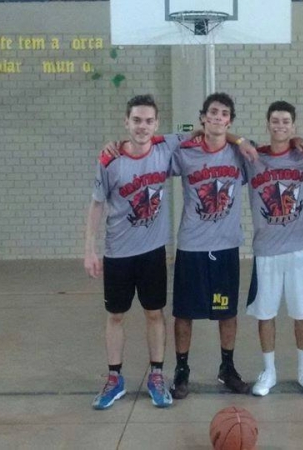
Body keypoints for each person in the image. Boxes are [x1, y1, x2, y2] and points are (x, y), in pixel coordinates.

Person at [84, 94, 177, 410]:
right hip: (118, 253)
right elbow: (97, 205)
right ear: (126, 122)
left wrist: (240, 140)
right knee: (115, 315)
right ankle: (114, 379)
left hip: (152, 252)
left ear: (157, 124)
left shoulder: (165, 149)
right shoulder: (109, 160)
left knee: (155, 313)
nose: (142, 126)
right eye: (136, 120)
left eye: (148, 121)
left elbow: (207, 133)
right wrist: (89, 249)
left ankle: (156, 375)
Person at [170, 92, 253, 399]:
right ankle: (182, 369)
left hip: (226, 245)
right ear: (203, 116)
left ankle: (227, 368)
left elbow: (268, 151)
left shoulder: (241, 153)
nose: (218, 117)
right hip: (192, 245)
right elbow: (155, 148)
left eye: (224, 114)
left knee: (226, 311)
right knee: (184, 312)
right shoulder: (185, 152)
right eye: (213, 112)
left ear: (230, 121)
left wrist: (238, 139)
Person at [244, 101, 303, 396]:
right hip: (266, 250)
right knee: (265, 313)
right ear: (267, 124)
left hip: (299, 250)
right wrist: (238, 140)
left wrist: (300, 141)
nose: (280, 126)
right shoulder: (253, 156)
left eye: (285, 121)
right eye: (275, 121)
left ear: (293, 126)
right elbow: (220, 137)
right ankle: (269, 372)